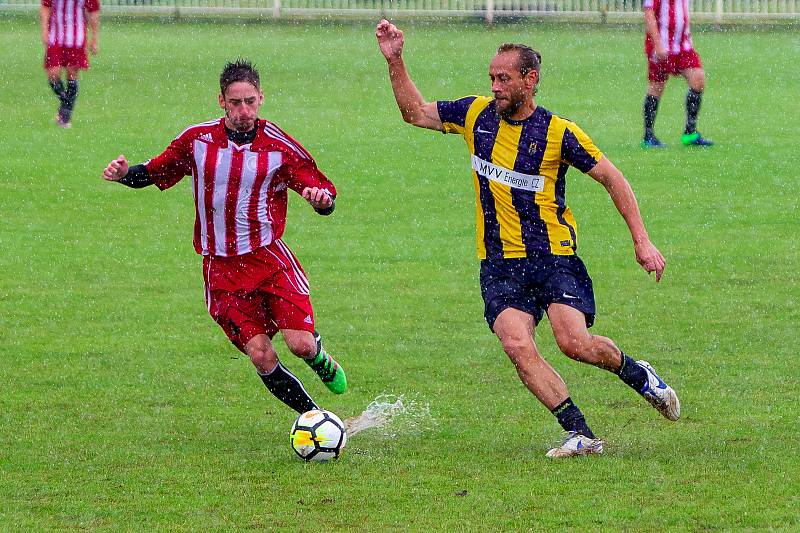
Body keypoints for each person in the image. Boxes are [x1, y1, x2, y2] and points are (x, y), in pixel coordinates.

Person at [376, 20, 680, 458]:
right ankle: (580, 433)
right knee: (517, 345)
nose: (495, 86)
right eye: (492, 78)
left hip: (553, 256)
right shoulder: (475, 114)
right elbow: (414, 112)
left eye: (504, 78)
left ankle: (639, 375)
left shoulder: (559, 133)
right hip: (499, 262)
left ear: (529, 80)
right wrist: (396, 60)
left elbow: (613, 179)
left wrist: (642, 240)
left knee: (574, 345)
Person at [101, 59, 347, 416]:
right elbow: (154, 172)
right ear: (222, 102)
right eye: (235, 102)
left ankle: (317, 354)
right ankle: (316, 418)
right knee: (261, 354)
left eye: (250, 101)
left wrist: (321, 201)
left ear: (261, 98)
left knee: (301, 345)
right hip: (221, 272)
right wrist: (125, 174)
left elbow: (323, 191)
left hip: (269, 260)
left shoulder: (278, 146)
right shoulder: (197, 140)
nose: (244, 110)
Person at [641, 0, 713, 148]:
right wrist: (658, 44)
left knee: (698, 80)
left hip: (683, 46)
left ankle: (690, 133)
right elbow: (649, 13)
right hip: (662, 46)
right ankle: (648, 136)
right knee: (656, 86)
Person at [40, 0, 100, 128]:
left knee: (72, 74)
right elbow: (45, 6)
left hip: (76, 36)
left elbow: (93, 11)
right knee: (53, 74)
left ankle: (64, 118)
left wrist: (94, 38)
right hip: (55, 35)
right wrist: (44, 29)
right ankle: (66, 105)